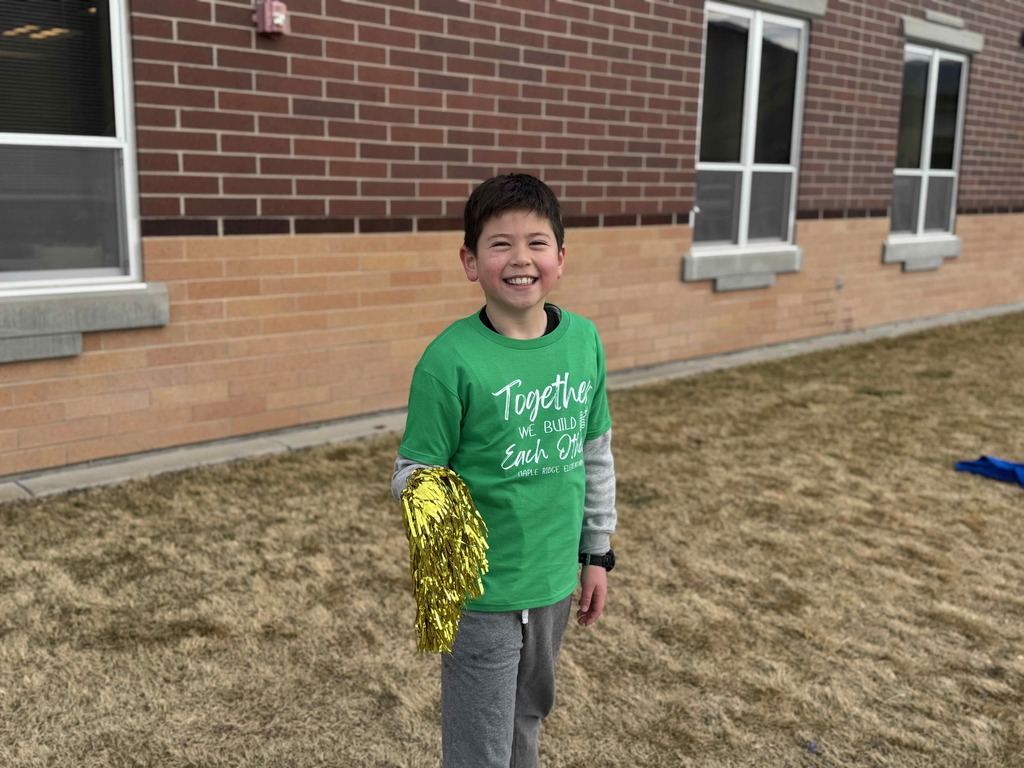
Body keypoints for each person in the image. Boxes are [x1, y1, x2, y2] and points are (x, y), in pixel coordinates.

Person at [391, 173, 617, 768]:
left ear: (561, 258)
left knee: (527, 721)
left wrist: (596, 554)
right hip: (480, 594)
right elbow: (413, 468)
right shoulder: (449, 360)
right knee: (479, 748)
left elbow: (595, 453)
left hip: (552, 585)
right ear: (470, 261)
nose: (521, 259)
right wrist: (438, 522)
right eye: (500, 244)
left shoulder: (585, 343)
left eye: (537, 243)